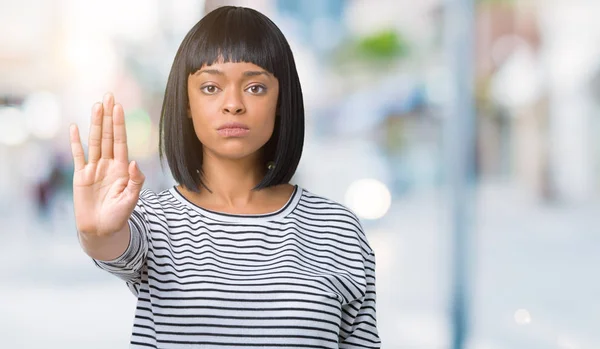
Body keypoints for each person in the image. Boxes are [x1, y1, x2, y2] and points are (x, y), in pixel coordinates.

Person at [69, 6, 380, 348]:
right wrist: (96, 233)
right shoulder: (153, 221)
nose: (233, 104)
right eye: (211, 87)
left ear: (280, 100)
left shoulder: (338, 229)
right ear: (186, 101)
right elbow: (114, 247)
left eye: (256, 87)